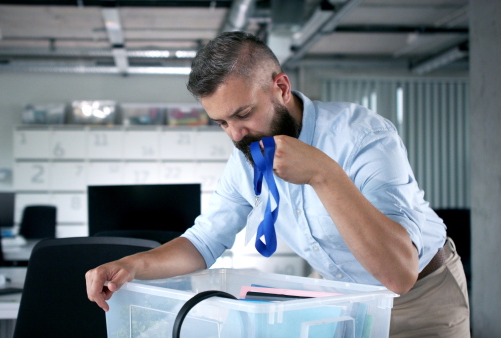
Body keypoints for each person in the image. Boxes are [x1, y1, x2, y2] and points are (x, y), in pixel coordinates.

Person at [86, 31, 470, 336]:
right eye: (222, 123)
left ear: (281, 88)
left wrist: (324, 174)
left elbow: (399, 275)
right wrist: (132, 265)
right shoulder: (247, 154)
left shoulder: (363, 136)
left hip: (422, 295)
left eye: (244, 114)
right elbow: (203, 243)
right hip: (343, 296)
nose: (236, 136)